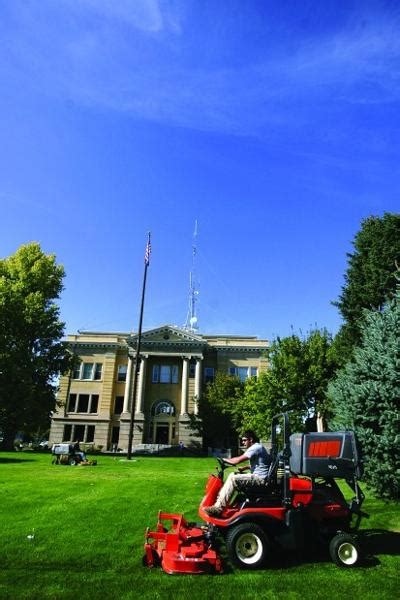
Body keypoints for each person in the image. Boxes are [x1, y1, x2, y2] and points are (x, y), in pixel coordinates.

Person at [204, 430, 271, 517]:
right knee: (232, 474)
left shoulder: (255, 447)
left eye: (244, 440)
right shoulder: (258, 447)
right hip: (260, 476)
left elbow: (237, 460)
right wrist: (245, 468)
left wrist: (224, 459)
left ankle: (218, 508)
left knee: (233, 478)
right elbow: (261, 464)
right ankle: (222, 504)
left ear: (250, 439)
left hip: (260, 479)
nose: (243, 443)